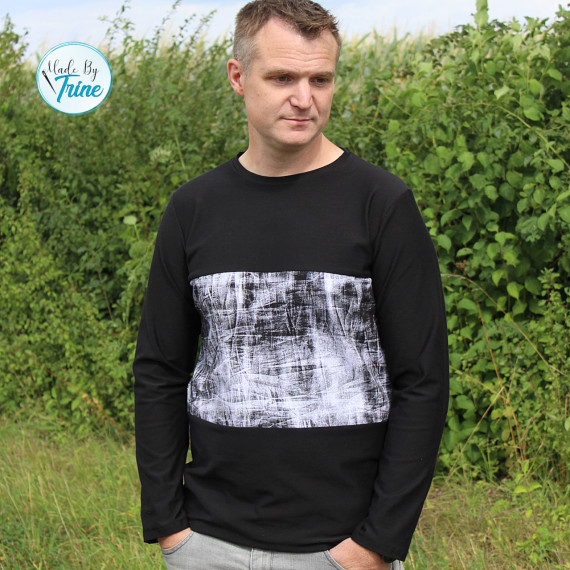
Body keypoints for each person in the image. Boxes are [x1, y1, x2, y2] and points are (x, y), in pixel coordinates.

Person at [133, 0, 449, 568]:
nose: (304, 99)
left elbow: (423, 381)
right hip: (208, 543)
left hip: (341, 548)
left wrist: (377, 543)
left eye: (320, 79)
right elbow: (160, 369)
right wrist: (168, 525)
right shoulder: (194, 208)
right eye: (282, 78)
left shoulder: (381, 204)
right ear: (238, 76)